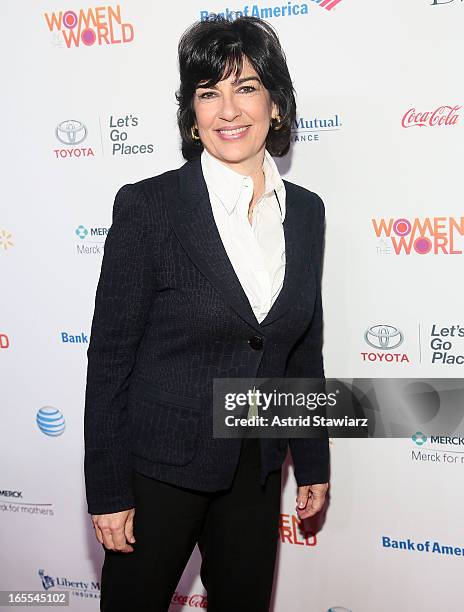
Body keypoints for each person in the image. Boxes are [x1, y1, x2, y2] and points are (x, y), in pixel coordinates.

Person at [84, 14, 329, 612]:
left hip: (256, 467)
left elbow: (301, 346)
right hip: (157, 469)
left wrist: (314, 458)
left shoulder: (306, 212)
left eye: (245, 87)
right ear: (192, 115)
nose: (228, 110)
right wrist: (109, 489)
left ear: (276, 105)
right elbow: (110, 358)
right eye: (208, 92)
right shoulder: (149, 206)